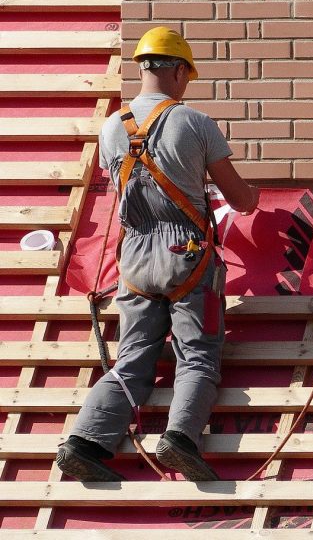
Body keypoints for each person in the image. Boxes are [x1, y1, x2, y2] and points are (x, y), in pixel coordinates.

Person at [56, 26, 259, 482]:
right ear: (178, 70)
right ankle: (181, 438)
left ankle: (85, 442)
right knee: (199, 355)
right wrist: (253, 197)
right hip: (185, 254)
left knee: (133, 357)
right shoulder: (193, 122)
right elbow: (239, 199)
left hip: (134, 261)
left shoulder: (112, 128)